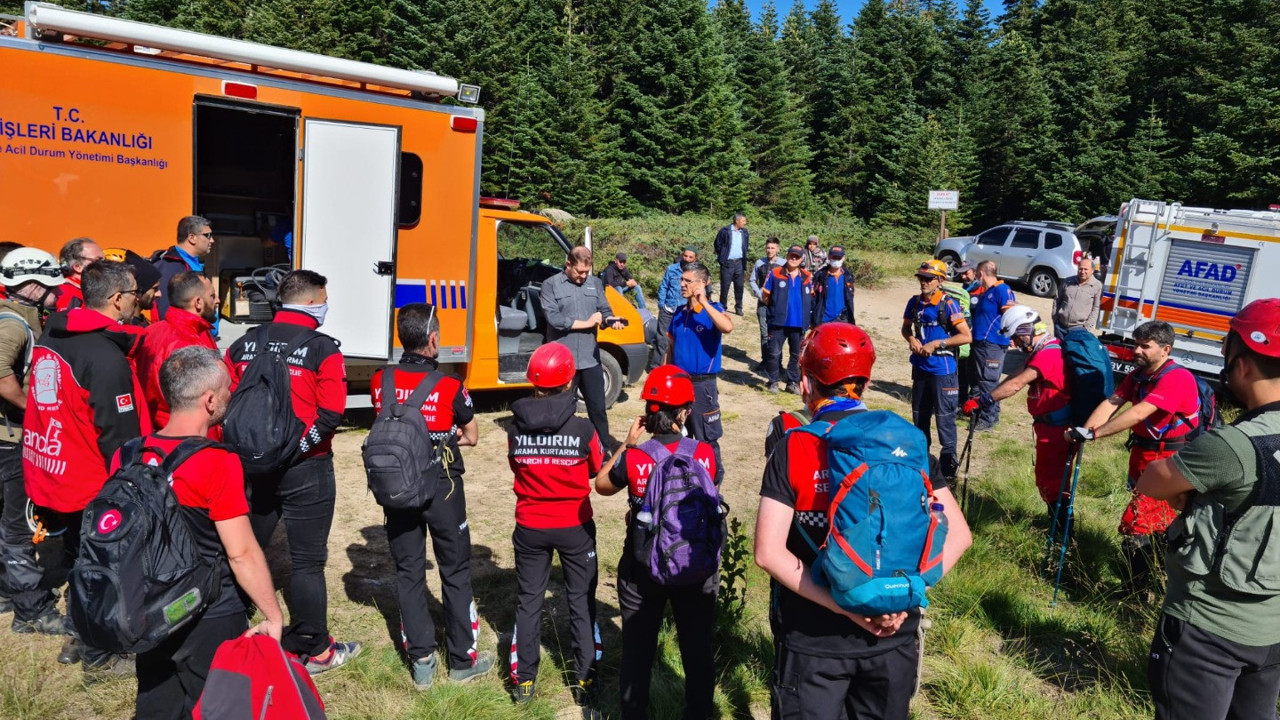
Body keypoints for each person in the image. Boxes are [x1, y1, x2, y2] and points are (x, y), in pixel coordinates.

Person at [754, 322, 972, 719]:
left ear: (806, 382)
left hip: (814, 642)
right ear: (866, 384)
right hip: (894, 636)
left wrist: (846, 608)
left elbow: (768, 554)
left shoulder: (795, 446)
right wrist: (904, 594)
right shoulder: (906, 441)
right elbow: (959, 536)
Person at [121, 346, 284, 719]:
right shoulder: (216, 462)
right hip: (208, 612)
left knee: (156, 699)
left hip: (146, 608)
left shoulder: (128, 453)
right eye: (227, 388)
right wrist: (272, 616)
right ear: (210, 401)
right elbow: (241, 553)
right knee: (218, 705)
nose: (230, 394)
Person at [1136, 298, 1280, 720]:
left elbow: (1151, 481)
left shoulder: (1232, 446)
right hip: (1271, 631)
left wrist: (1191, 493)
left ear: (1244, 364)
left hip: (1207, 631)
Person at [225, 269, 360, 674]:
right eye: (324, 298)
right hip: (307, 467)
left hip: (251, 465)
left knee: (244, 549)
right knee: (306, 562)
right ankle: (314, 649)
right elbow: (332, 412)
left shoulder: (243, 344)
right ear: (315, 300)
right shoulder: (322, 348)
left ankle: (226, 627)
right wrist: (298, 448)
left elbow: (228, 404)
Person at [24, 259, 149, 676]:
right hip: (91, 479)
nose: (139, 301)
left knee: (81, 557)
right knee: (105, 566)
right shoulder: (103, 356)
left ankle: (78, 635)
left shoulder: (53, 334)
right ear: (116, 300)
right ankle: (101, 654)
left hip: (54, 467)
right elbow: (119, 435)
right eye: (134, 294)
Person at [370, 303, 494, 690]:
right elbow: (472, 436)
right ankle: (462, 661)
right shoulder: (451, 386)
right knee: (454, 570)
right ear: (434, 339)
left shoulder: (379, 380)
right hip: (441, 486)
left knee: (408, 572)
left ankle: (421, 661)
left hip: (397, 489)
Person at [594, 365, 722, 719]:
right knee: (697, 648)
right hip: (694, 564)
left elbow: (601, 485)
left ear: (649, 412)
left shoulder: (637, 456)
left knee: (637, 649)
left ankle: (634, 712)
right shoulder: (705, 454)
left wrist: (626, 444)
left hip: (642, 565)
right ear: (685, 411)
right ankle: (699, 712)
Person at [1068, 320, 1200, 595]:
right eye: (1135, 344)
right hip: (1144, 458)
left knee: (1136, 525)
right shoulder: (1139, 375)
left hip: (1169, 465)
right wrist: (1086, 431)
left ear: (1165, 350)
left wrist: (1096, 435)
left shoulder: (1176, 377)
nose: (1135, 351)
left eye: (1144, 346)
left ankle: (1136, 589)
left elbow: (1140, 412)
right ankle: (1156, 577)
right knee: (1159, 524)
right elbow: (1113, 402)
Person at [506, 343, 603, 705]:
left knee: (529, 601)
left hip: (530, 525)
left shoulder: (515, 428)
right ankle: (585, 680)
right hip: (575, 527)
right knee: (580, 600)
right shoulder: (583, 429)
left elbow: (516, 467)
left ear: (533, 382)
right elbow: (596, 470)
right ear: (568, 383)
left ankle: (524, 682)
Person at [0, 249, 63, 635]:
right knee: (20, 526)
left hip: (6, 436)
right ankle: (32, 611)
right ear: (31, 286)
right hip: (11, 440)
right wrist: (32, 411)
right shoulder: (12, 325)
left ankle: (7, 592)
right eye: (51, 284)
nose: (57, 292)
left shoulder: (18, 319)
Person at [962, 305, 1072, 525]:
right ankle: (1056, 523)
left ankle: (1062, 531)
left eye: (1016, 337)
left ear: (1027, 331)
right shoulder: (1044, 348)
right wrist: (986, 396)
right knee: (1048, 477)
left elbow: (1017, 384)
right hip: (1049, 427)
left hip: (1057, 430)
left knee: (1053, 480)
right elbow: (1017, 374)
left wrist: (983, 401)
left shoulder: (1049, 354)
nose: (1013, 343)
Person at [541, 246, 624, 451]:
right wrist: (587, 323)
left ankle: (603, 449)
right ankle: (557, 449)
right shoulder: (550, 285)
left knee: (598, 409)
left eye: (587, 271)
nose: (584, 276)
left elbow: (603, 310)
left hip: (590, 358)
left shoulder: (595, 283)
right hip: (562, 361)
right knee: (560, 409)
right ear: (568, 264)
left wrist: (610, 319)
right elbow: (555, 319)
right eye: (579, 272)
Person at [902, 259, 972, 480]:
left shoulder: (948, 304)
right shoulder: (914, 303)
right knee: (920, 417)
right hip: (921, 369)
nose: (923, 282)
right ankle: (922, 461)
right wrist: (911, 338)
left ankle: (948, 467)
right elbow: (905, 328)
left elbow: (966, 336)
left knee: (944, 419)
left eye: (928, 278)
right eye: (921, 278)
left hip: (943, 371)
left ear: (940, 280)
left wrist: (937, 344)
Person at [665, 262, 732, 466]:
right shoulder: (678, 313)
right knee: (680, 437)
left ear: (701, 283)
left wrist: (704, 302)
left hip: (703, 387)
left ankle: (712, 485)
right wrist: (663, 378)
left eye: (687, 280)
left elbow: (727, 327)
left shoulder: (715, 310)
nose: (682, 284)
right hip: (679, 384)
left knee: (706, 440)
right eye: (681, 280)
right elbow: (670, 349)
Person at [136, 271, 218, 430]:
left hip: (163, 432)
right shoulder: (188, 343)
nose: (218, 300)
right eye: (212, 296)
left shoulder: (152, 331)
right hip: (186, 436)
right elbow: (199, 404)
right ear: (198, 302)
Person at [966, 261, 1016, 432]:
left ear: (980, 273)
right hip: (981, 343)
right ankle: (984, 412)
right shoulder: (988, 291)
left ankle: (989, 418)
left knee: (989, 381)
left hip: (993, 343)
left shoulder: (1002, 289)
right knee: (981, 380)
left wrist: (1012, 335)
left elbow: (1010, 314)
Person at [761, 245, 813, 394]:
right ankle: (773, 382)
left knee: (796, 355)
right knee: (774, 353)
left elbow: (812, 298)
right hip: (778, 322)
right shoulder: (775, 273)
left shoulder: (807, 276)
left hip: (798, 323)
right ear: (787, 255)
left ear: (802, 258)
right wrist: (775, 309)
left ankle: (792, 382)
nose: (794, 259)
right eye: (792, 255)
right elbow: (765, 296)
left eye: (797, 256)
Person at [154, 215, 215, 321]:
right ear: (192, 238)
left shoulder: (191, 262)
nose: (212, 240)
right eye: (208, 235)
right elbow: (166, 313)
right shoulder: (171, 266)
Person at [653, 246, 698, 372]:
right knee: (662, 339)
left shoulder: (696, 274)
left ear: (695, 259)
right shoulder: (671, 269)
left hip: (684, 312)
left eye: (690, 257)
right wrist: (661, 305)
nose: (687, 259)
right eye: (685, 256)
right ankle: (656, 368)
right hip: (668, 309)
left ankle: (675, 368)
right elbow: (663, 287)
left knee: (680, 339)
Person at [750, 237, 785, 366]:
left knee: (777, 335)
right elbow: (752, 280)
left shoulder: (783, 264)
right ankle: (765, 361)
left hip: (778, 305)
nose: (769, 250)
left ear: (778, 249)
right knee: (764, 334)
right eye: (768, 248)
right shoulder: (759, 263)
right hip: (763, 303)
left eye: (772, 248)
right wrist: (759, 294)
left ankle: (777, 363)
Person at [1053, 257, 1102, 336]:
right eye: (1080, 269)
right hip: (1060, 326)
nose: (1082, 272)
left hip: (1078, 329)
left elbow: (1095, 308)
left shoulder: (1097, 286)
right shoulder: (1067, 281)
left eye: (1086, 269)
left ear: (1092, 271)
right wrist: (1055, 318)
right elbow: (1057, 299)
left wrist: (1086, 327)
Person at [54, 237, 105, 311]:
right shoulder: (68, 293)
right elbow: (66, 321)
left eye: (105, 260)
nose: (106, 264)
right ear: (78, 267)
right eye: (98, 260)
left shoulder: (86, 289)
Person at [810, 245, 856, 326]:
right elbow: (813, 298)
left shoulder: (848, 276)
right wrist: (812, 318)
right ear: (829, 257)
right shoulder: (820, 275)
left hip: (842, 319)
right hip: (823, 319)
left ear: (843, 258)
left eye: (839, 258)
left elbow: (850, 297)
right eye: (834, 257)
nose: (836, 260)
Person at [713, 213, 749, 316]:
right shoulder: (725, 231)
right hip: (727, 263)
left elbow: (746, 245)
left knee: (739, 286)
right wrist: (723, 254)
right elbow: (717, 244)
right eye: (743, 221)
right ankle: (722, 307)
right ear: (737, 221)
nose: (745, 223)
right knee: (725, 287)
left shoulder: (744, 232)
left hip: (739, 263)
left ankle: (738, 307)